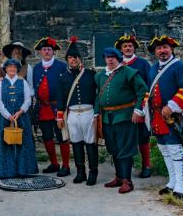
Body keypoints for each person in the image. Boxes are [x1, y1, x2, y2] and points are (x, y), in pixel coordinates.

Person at [146, 35, 183, 199]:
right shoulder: (153, 68)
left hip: (173, 116)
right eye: (159, 48)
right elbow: (149, 91)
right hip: (157, 115)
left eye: (165, 47)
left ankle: (181, 186)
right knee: (164, 148)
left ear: (171, 49)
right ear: (155, 51)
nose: (162, 51)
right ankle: (172, 182)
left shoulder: (180, 67)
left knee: (174, 148)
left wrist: (171, 106)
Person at [95, 47, 147, 194]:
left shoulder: (128, 72)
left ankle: (127, 181)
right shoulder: (100, 76)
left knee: (125, 149)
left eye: (113, 57)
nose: (110, 59)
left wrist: (138, 110)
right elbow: (98, 95)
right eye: (107, 57)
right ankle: (118, 177)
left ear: (118, 58)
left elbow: (142, 90)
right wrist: (95, 113)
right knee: (114, 149)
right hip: (107, 118)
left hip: (125, 116)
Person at [57, 37, 98, 185]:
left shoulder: (90, 74)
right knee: (76, 143)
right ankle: (81, 172)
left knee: (90, 143)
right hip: (72, 114)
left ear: (80, 59)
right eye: (70, 58)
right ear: (67, 60)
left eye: (75, 57)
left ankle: (93, 173)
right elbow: (60, 98)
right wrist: (60, 117)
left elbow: (97, 94)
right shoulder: (63, 78)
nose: (72, 60)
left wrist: (97, 113)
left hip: (88, 112)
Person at [116, 35, 153, 178]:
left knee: (143, 137)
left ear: (134, 48)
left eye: (130, 46)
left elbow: (148, 85)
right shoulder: (117, 65)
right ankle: (126, 167)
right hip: (122, 108)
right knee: (125, 138)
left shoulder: (143, 64)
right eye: (125, 46)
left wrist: (143, 106)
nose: (127, 48)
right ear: (121, 49)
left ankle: (146, 166)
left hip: (140, 106)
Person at [32, 36, 70, 176]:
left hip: (58, 108)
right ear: (40, 52)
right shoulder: (36, 68)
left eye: (49, 49)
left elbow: (66, 88)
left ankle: (65, 166)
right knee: (47, 136)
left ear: (53, 52)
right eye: (44, 49)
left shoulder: (61, 66)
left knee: (62, 136)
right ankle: (54, 163)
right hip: (43, 108)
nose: (46, 52)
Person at [0, 58, 38, 178]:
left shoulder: (22, 82)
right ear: (6, 69)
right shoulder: (0, 83)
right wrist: (7, 115)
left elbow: (28, 99)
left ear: (17, 69)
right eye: (9, 67)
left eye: (14, 67)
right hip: (4, 117)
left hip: (21, 116)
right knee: (5, 143)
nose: (12, 69)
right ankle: (6, 171)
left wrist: (20, 111)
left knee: (22, 142)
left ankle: (23, 169)